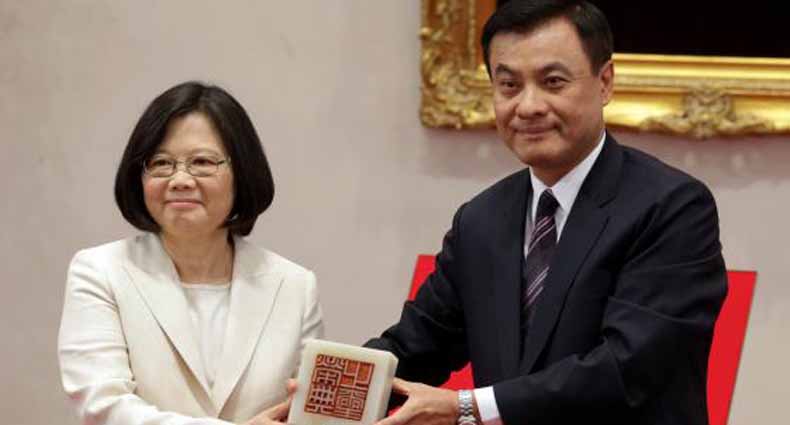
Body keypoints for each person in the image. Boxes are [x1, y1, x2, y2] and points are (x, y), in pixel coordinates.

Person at [365, 1, 727, 425]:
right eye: (509, 85)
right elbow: (414, 347)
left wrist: (467, 408)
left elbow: (626, 370)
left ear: (605, 82)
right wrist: (317, 386)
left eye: (553, 82)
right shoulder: (480, 220)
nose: (529, 106)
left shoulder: (673, 207)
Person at [58, 82, 323, 425]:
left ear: (242, 173)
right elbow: (103, 406)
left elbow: (309, 413)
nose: (180, 180)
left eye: (202, 162)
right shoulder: (100, 271)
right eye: (161, 163)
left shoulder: (295, 286)